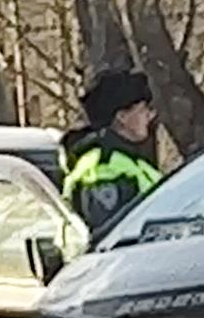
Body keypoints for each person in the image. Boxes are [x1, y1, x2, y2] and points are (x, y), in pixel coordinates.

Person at [61, 69, 163, 230]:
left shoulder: (125, 160)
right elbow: (112, 233)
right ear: (122, 117)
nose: (150, 116)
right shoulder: (104, 168)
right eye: (143, 110)